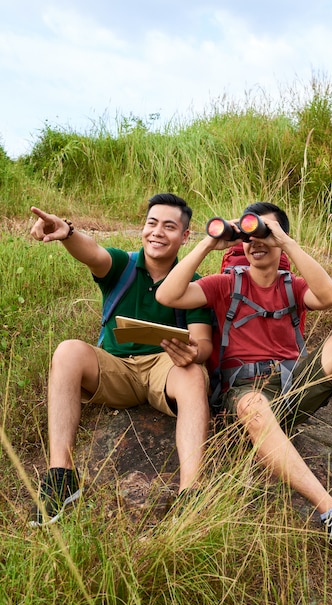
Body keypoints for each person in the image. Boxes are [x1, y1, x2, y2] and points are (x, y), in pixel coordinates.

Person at [156, 201, 332, 572]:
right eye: (251, 236)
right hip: (245, 395)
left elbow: (330, 297)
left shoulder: (293, 286)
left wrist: (285, 241)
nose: (257, 242)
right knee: (254, 405)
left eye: (266, 233)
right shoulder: (225, 283)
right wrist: (209, 243)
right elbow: (168, 296)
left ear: (281, 238)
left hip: (289, 387)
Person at [29, 193, 213, 527]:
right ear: (143, 228)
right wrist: (67, 232)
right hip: (117, 367)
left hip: (165, 369)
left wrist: (193, 353)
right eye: (151, 223)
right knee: (67, 350)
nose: (157, 232)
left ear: (185, 237)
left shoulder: (196, 285)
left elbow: (203, 342)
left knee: (194, 373)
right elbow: (93, 253)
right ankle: (61, 477)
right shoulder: (123, 266)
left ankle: (191, 491)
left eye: (169, 226)